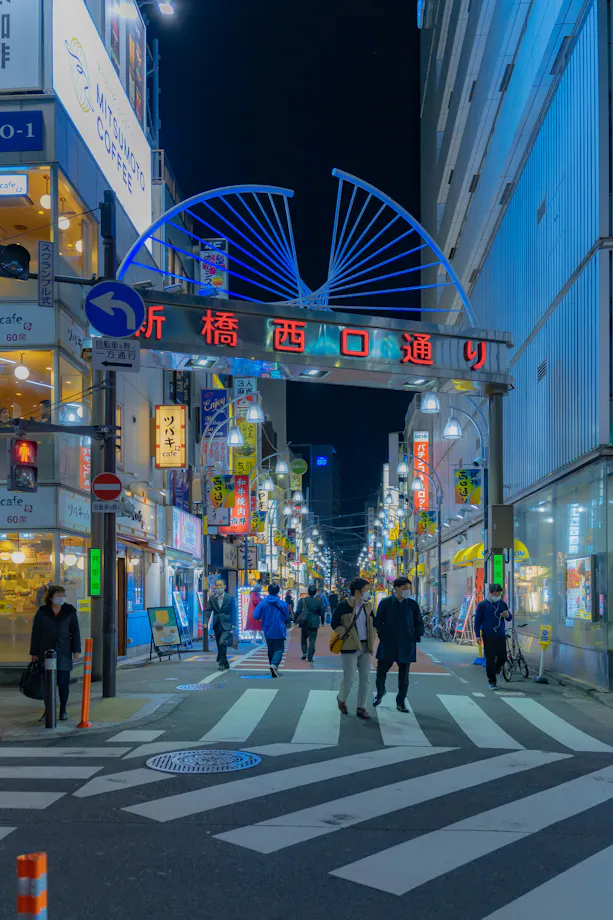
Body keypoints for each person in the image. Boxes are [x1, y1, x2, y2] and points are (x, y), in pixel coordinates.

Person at [30, 585, 81, 721]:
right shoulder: (42, 611)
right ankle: (49, 709)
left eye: (62, 595)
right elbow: (36, 632)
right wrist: (34, 652)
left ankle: (63, 709)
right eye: (58, 595)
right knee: (47, 683)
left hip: (64, 650)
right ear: (51, 597)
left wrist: (76, 649)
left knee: (63, 682)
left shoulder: (69, 611)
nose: (60, 598)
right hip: (45, 650)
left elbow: (75, 631)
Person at [374, 575, 424, 713]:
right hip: (388, 643)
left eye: (409, 588)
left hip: (406, 643)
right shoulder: (385, 603)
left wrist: (416, 635)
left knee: (404, 675)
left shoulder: (412, 605)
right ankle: (380, 692)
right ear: (396, 588)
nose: (408, 591)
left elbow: (419, 622)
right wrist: (382, 635)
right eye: (405, 588)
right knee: (381, 670)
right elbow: (378, 622)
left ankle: (401, 701)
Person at [332, 577, 377, 720]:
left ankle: (361, 707)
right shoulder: (344, 606)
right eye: (365, 590)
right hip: (349, 647)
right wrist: (344, 634)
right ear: (357, 591)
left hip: (365, 646)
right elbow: (334, 623)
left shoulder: (368, 606)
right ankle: (341, 698)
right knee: (350, 677)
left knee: (365, 678)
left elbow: (373, 623)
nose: (367, 593)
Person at [474, 583, 511, 690]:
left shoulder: (502, 604)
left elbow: (509, 618)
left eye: (499, 593)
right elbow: (477, 621)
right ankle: (492, 681)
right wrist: (477, 635)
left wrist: (507, 615)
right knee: (490, 658)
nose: (497, 595)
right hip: (488, 635)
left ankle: (493, 671)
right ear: (490, 593)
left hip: (500, 634)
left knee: (503, 657)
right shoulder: (483, 605)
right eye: (495, 593)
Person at [253, 584, 292, 677]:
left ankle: (273, 666)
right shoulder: (282, 603)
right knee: (279, 649)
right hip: (279, 629)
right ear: (278, 591)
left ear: (268, 591)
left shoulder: (263, 603)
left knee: (270, 649)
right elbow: (287, 616)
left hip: (267, 629)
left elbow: (256, 615)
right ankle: (274, 665)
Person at [207, 578, 237, 670]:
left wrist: (234, 623)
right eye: (217, 585)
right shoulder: (212, 599)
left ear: (225, 587)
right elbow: (208, 611)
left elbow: (233, 611)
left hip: (227, 624)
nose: (219, 587)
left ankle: (221, 662)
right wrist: (206, 622)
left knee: (222, 643)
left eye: (221, 585)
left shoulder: (230, 598)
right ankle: (225, 662)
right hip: (217, 624)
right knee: (219, 644)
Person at [295, 584, 324, 661]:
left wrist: (295, 620)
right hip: (314, 622)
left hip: (304, 622)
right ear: (315, 593)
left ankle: (304, 652)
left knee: (304, 637)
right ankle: (310, 656)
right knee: (312, 640)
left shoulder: (302, 600)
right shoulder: (318, 602)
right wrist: (323, 621)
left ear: (308, 592)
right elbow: (321, 612)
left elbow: (297, 611)